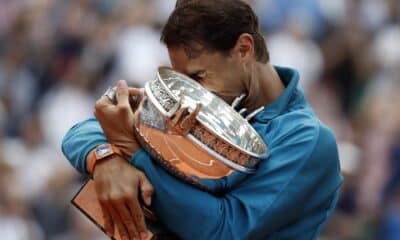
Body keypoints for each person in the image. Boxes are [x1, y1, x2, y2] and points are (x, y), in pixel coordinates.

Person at [62, 0, 343, 239]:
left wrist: (135, 153)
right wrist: (106, 160)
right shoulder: (205, 100)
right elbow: (81, 132)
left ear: (243, 50)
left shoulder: (309, 140)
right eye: (182, 79)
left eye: (198, 77)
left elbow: (223, 230)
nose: (190, 93)